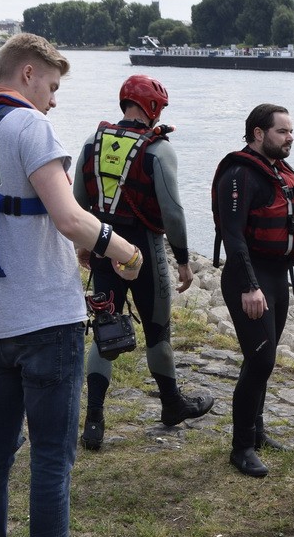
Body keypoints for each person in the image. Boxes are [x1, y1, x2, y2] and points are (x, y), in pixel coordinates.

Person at [0, 33, 142, 537]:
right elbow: (66, 214)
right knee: (52, 460)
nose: (54, 101)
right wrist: (122, 248)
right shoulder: (30, 126)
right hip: (47, 322)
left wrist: (69, 250)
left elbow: (10, 214)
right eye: (53, 87)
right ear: (28, 73)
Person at [73, 74, 213, 450]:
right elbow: (174, 213)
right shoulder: (159, 150)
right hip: (145, 250)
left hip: (106, 247)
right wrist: (183, 259)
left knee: (105, 329)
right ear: (151, 107)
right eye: (160, 108)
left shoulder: (93, 141)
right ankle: (171, 404)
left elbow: (79, 201)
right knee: (157, 330)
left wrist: (87, 243)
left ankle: (94, 422)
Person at [212, 103, 294, 478]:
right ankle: (241, 447)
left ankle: (256, 431)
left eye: (291, 131)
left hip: (277, 277)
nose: (290, 138)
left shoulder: (283, 174)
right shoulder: (240, 175)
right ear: (259, 134)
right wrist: (249, 286)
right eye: (282, 132)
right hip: (250, 279)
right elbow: (233, 235)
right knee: (260, 361)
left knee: (264, 358)